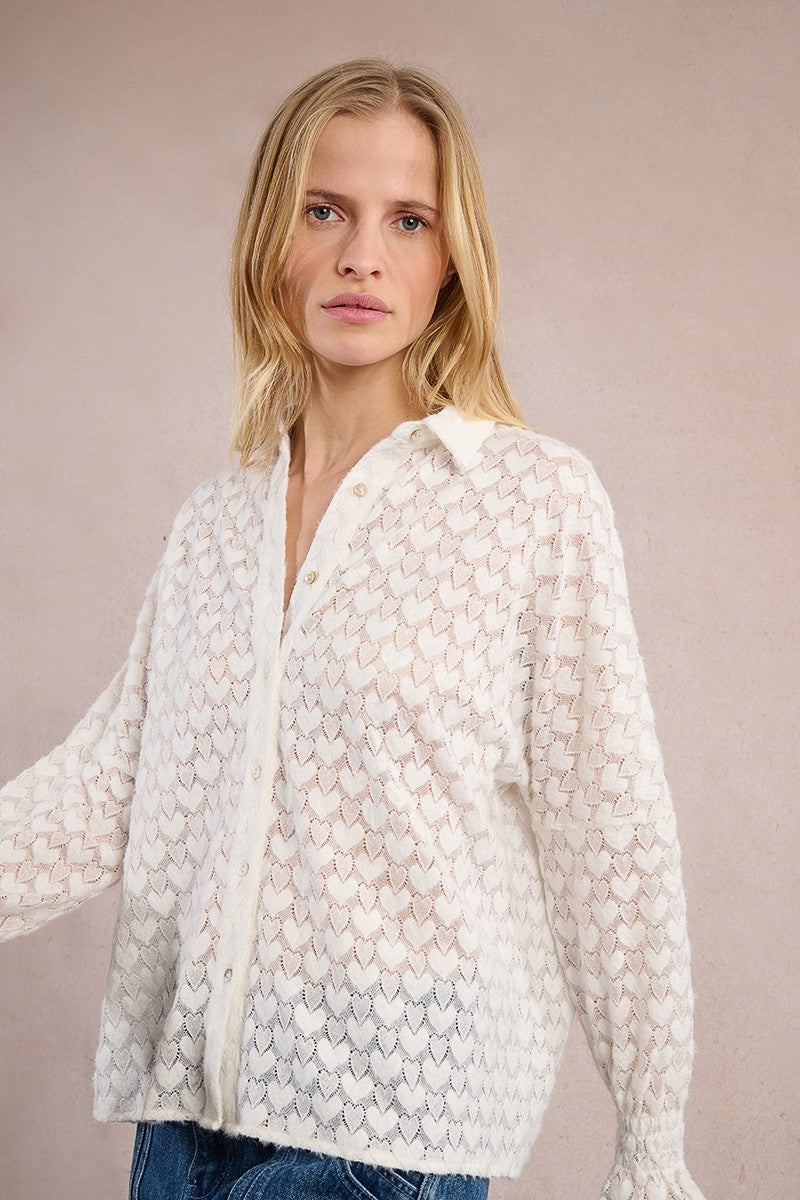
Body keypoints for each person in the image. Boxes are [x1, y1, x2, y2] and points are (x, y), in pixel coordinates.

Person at [0, 58, 706, 1200]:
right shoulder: (215, 522)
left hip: (385, 1128)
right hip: (186, 1117)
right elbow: (108, 787)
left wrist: (651, 1136)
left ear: (451, 258)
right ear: (269, 238)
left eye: (407, 220)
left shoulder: (532, 502)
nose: (361, 256)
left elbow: (608, 834)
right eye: (323, 210)